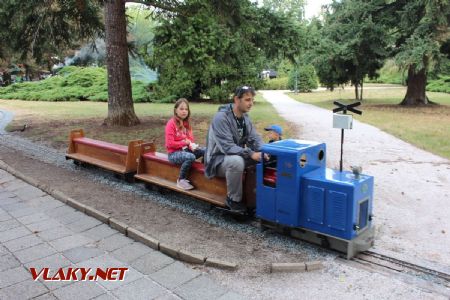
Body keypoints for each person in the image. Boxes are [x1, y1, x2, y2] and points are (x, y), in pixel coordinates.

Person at [204, 86, 265, 212]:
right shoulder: (221, 118)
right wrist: (251, 153)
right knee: (237, 162)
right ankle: (233, 200)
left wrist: (266, 151)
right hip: (217, 160)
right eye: (247, 100)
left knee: (263, 159)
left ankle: (254, 196)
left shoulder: (245, 118)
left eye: (252, 100)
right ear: (237, 100)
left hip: (235, 155)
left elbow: (254, 138)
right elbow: (227, 147)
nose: (251, 103)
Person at [165, 98, 204, 190]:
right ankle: (181, 180)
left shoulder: (187, 123)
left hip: (186, 150)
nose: (184, 111)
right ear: (176, 110)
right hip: (174, 154)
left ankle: (203, 173)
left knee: (205, 150)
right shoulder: (171, 124)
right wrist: (184, 143)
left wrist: (192, 145)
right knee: (190, 157)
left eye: (186, 109)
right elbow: (170, 144)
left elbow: (190, 139)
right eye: (181, 109)